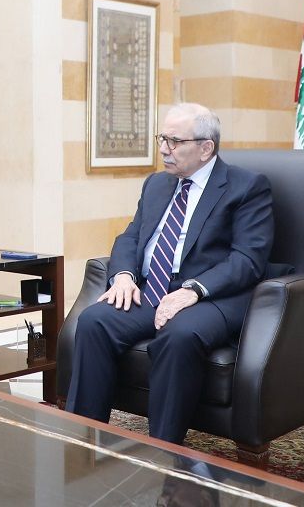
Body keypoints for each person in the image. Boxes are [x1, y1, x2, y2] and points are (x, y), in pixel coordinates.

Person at [65, 103, 274, 444]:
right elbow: (131, 236)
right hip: (152, 288)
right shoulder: (157, 184)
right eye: (162, 138)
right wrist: (123, 276)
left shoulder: (246, 187)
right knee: (94, 321)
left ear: (206, 148)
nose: (164, 149)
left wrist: (193, 290)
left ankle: (163, 451)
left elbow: (248, 259)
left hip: (208, 297)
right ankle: (83, 440)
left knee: (178, 335)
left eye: (174, 141)